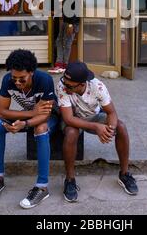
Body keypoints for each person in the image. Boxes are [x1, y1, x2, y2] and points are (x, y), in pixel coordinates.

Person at [55, 61, 138, 202]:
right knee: (71, 133)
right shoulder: (62, 86)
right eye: (65, 81)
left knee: (121, 127)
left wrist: (109, 131)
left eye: (70, 86)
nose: (66, 86)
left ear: (82, 84)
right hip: (74, 119)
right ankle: (70, 180)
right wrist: (96, 128)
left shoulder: (97, 86)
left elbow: (111, 113)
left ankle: (124, 174)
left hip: (93, 116)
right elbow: (68, 119)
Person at [0, 49, 58, 209]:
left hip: (50, 117)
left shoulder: (44, 80)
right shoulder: (7, 80)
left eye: (22, 79)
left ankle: (42, 187)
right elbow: (2, 111)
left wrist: (24, 124)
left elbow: (45, 115)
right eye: (14, 78)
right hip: (30, 114)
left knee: (40, 128)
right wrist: (30, 114)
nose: (17, 83)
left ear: (31, 73)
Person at [48, 0, 80, 74]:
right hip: (66, 21)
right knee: (59, 41)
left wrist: (71, 24)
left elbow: (76, 9)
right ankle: (60, 64)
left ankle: (64, 65)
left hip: (71, 22)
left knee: (67, 43)